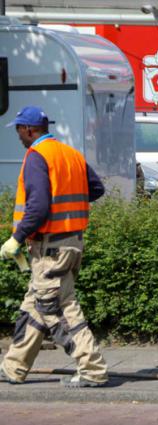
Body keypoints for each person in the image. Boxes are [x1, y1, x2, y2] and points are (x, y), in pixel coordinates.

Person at [0, 106, 109, 387]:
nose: (18, 135)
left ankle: (92, 369)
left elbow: (37, 208)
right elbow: (96, 189)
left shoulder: (37, 156)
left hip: (50, 248)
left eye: (19, 129)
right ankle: (14, 367)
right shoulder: (70, 154)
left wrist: (17, 238)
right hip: (72, 243)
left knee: (57, 307)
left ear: (28, 129)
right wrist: (67, 205)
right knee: (34, 306)